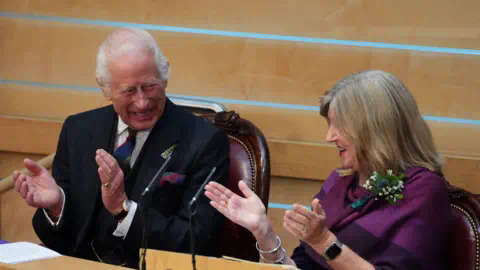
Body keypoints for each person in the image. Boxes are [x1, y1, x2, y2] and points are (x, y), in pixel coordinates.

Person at [13, 28, 230, 268]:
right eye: (128, 90)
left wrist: (124, 211)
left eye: (149, 86)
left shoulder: (204, 142)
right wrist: (57, 206)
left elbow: (197, 243)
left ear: (164, 76)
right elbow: (62, 244)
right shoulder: (78, 130)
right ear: (105, 88)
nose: (142, 102)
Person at [205, 70, 452, 270]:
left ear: (375, 129)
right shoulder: (340, 182)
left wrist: (324, 241)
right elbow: (300, 266)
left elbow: (324, 244)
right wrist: (263, 231)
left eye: (339, 126)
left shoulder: (424, 191)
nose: (329, 137)